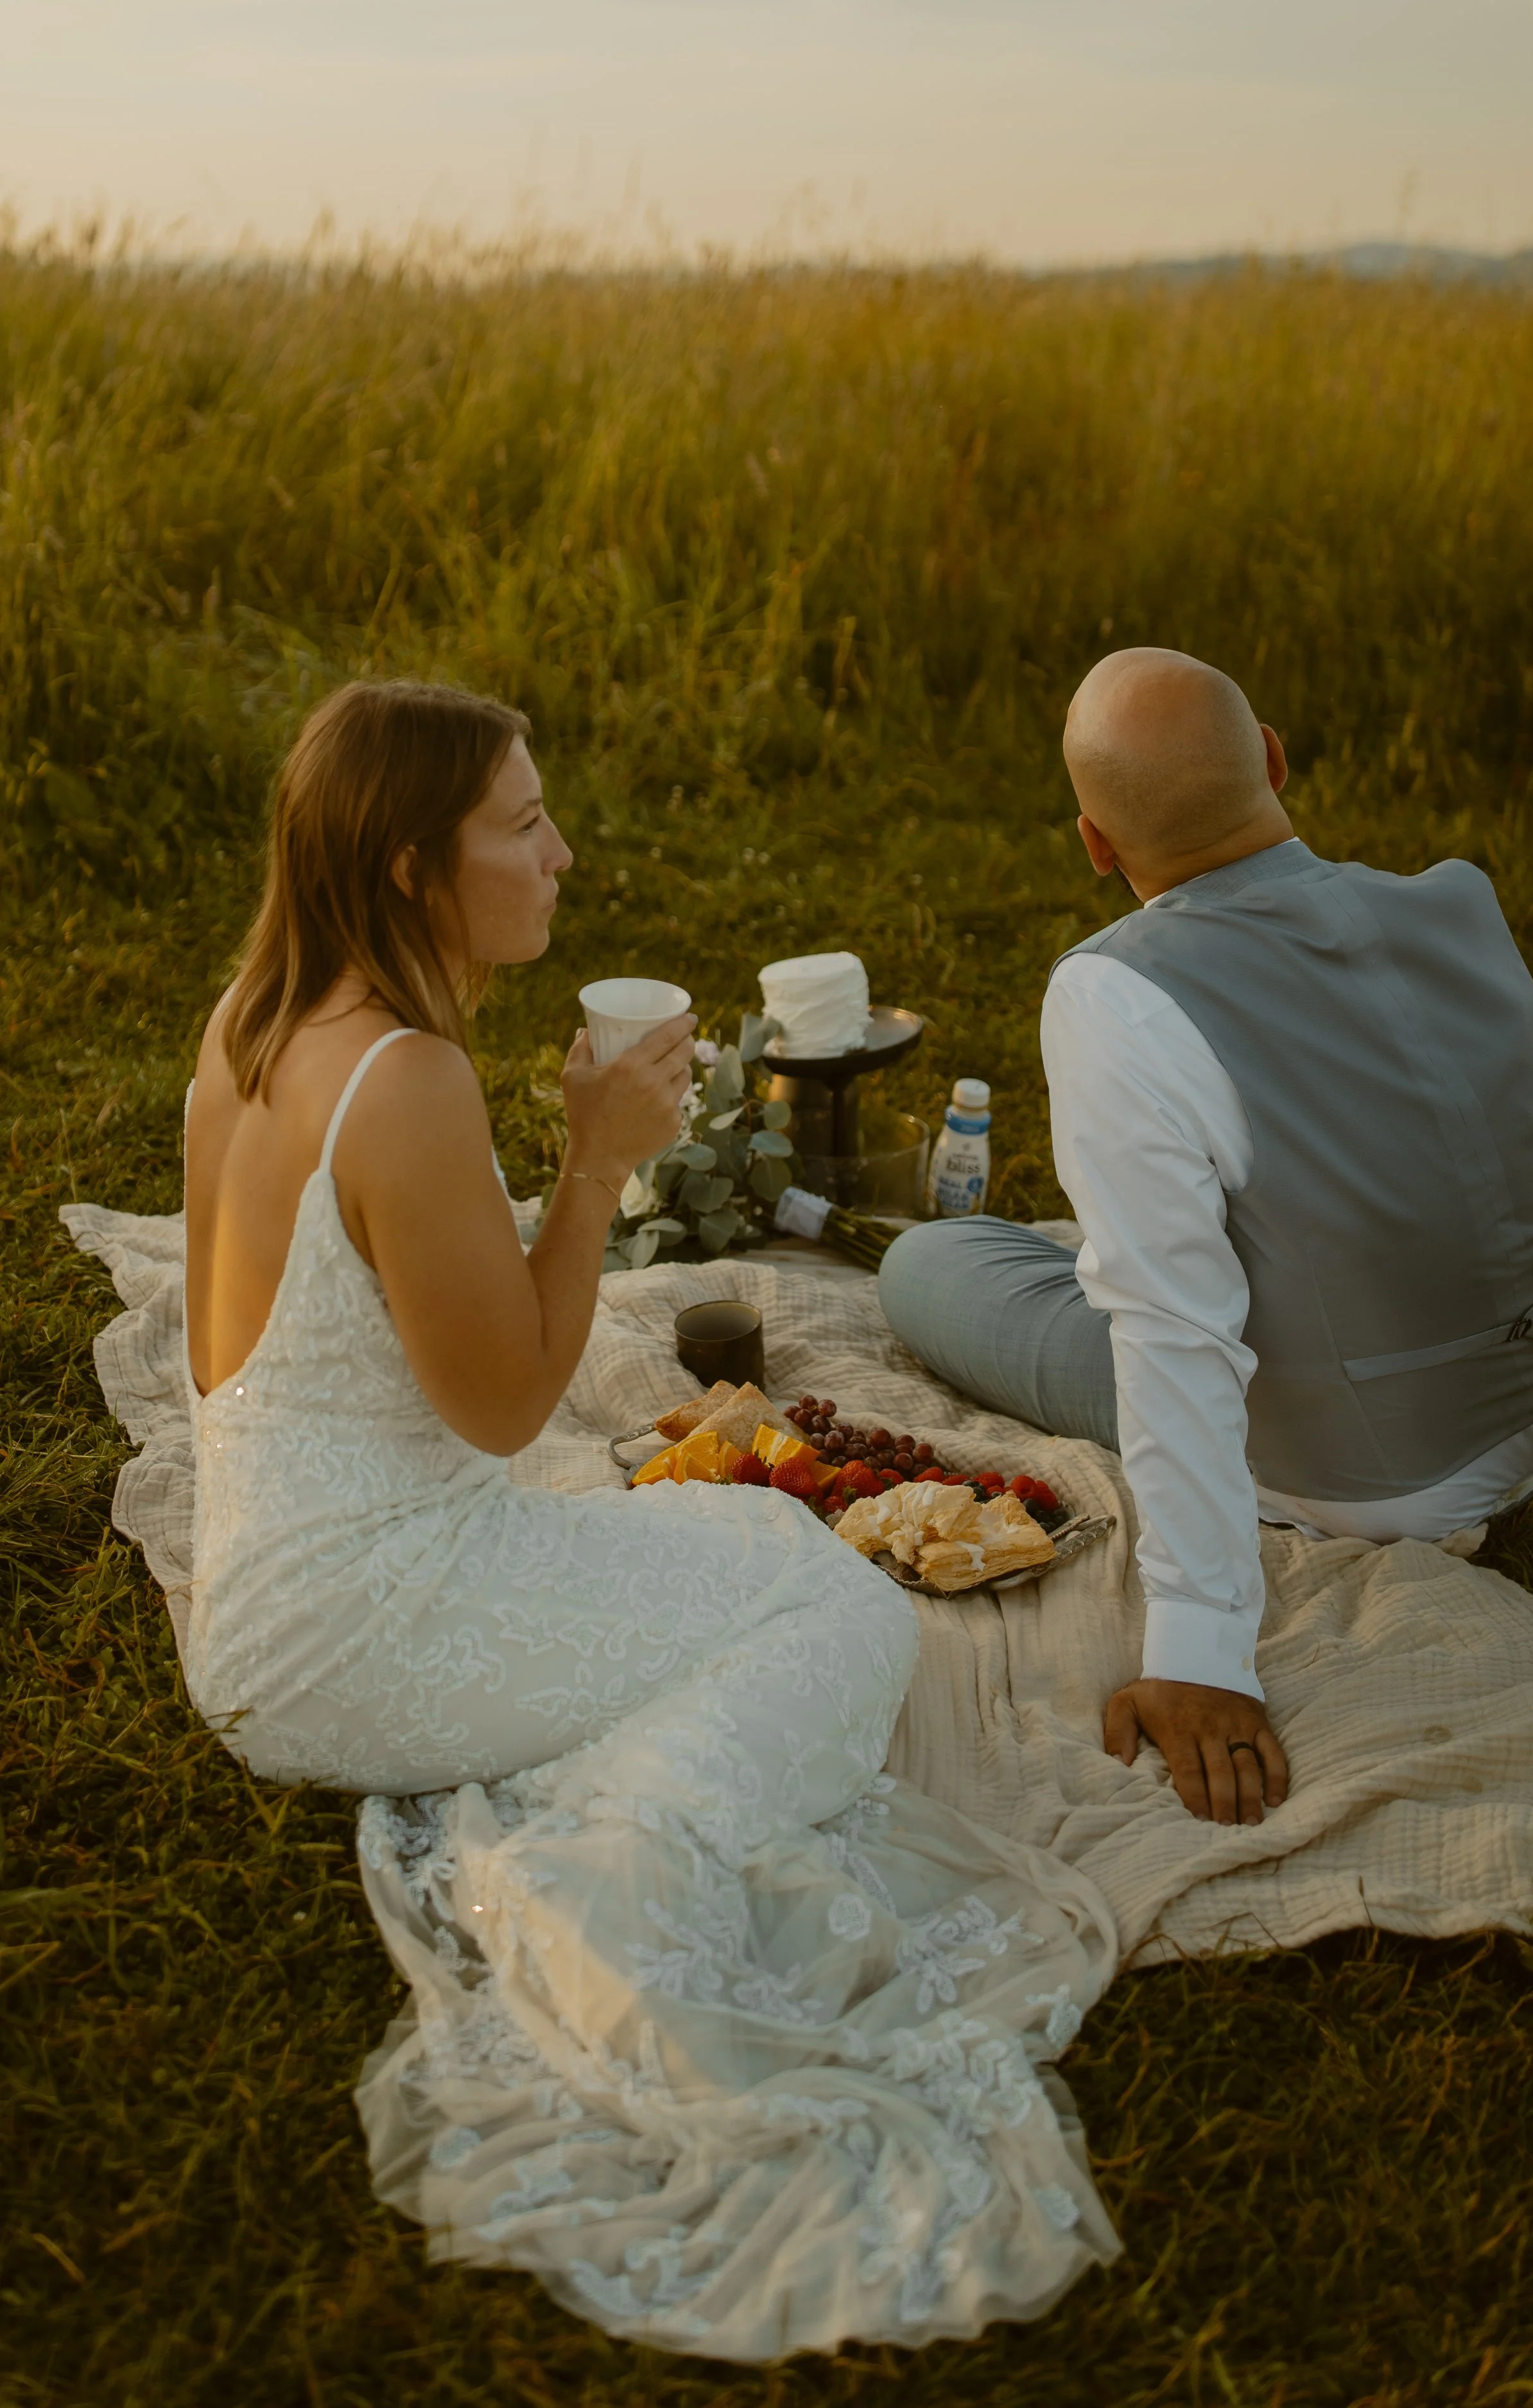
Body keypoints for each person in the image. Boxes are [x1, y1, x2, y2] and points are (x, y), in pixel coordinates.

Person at [78, 677, 1122, 2356]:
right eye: (524, 822)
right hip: (356, 1626)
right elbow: (499, 1406)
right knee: (838, 1607)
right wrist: (592, 1166)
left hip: (273, 1587)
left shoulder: (254, 1017)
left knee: (755, 1547)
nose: (561, 853)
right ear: (420, 865)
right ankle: (610, 1865)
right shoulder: (404, 1078)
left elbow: (289, 1367)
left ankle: (599, 1775)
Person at [879, 647, 1533, 1829]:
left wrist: (1203, 1649)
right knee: (1156, 1228)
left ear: (1095, 844)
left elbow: (1174, 1342)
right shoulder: (1460, 897)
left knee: (928, 1263)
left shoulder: (1117, 993)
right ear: (1274, 757)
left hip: (1376, 1475)